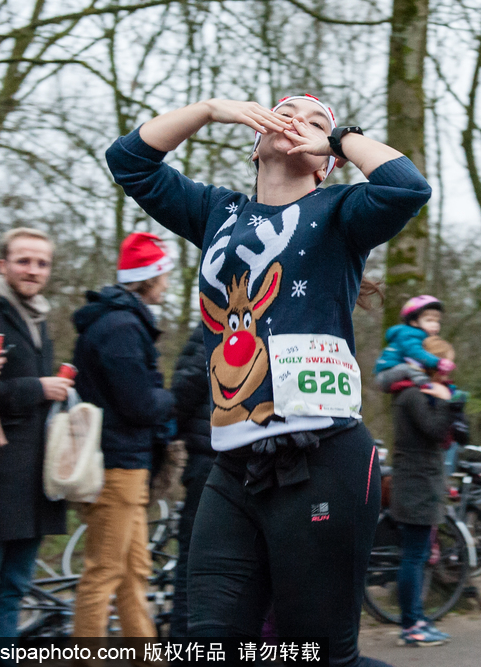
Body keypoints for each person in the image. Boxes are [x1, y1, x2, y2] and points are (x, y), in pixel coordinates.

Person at [105, 93, 429, 663]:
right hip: (233, 468)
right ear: (255, 142)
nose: (297, 122)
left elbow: (407, 187)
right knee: (207, 647)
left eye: (315, 121)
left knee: (317, 653)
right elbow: (129, 159)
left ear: (324, 161)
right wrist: (209, 110)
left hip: (324, 460)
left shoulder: (341, 212)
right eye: (285, 112)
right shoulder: (214, 212)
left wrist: (340, 139)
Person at [70, 232, 177, 638]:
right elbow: (139, 405)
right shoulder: (121, 328)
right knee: (104, 573)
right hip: (117, 466)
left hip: (127, 465)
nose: (167, 282)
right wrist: (173, 398)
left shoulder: (120, 322)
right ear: (149, 277)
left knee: (135, 573)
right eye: (163, 273)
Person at [0, 228, 70, 637]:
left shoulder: (39, 316)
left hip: (30, 480)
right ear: (2, 265)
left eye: (41, 263)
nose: (33, 270)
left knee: (14, 589)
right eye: (24, 260)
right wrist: (40, 388)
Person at [390, 336, 464, 647]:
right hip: (415, 485)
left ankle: (417, 619)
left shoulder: (426, 394)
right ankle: (411, 626)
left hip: (425, 483)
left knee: (418, 555)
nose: (448, 372)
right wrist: (446, 402)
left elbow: (449, 433)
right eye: (444, 365)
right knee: (414, 556)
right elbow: (434, 430)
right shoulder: (411, 396)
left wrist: (454, 408)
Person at [167, 324, 216, 637]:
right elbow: (182, 394)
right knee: (195, 561)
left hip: (230, 461)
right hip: (210, 462)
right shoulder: (211, 331)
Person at [374, 295, 455, 392]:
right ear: (414, 322)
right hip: (386, 375)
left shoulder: (420, 336)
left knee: (417, 370)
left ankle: (442, 386)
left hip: (396, 373)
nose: (435, 324)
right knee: (408, 369)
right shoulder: (409, 334)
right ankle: (428, 387)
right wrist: (438, 362)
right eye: (429, 320)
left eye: (437, 321)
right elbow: (415, 352)